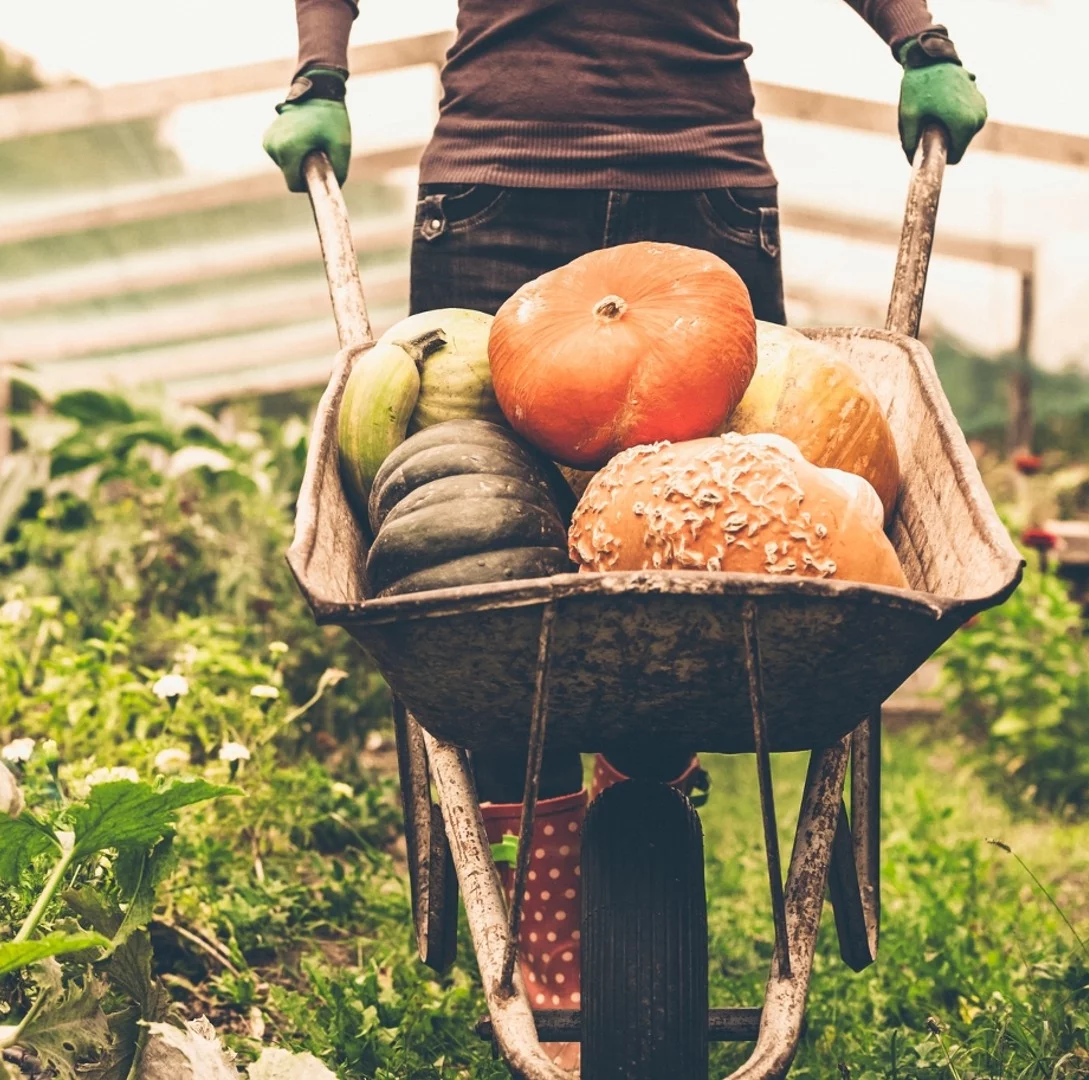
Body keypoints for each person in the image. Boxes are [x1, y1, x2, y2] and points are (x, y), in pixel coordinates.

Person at [264, 0, 987, 1062]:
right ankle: (549, 882)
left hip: (698, 178)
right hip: (500, 179)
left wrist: (922, 41)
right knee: (489, 551)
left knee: (709, 524)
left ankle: (637, 790)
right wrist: (318, 72)